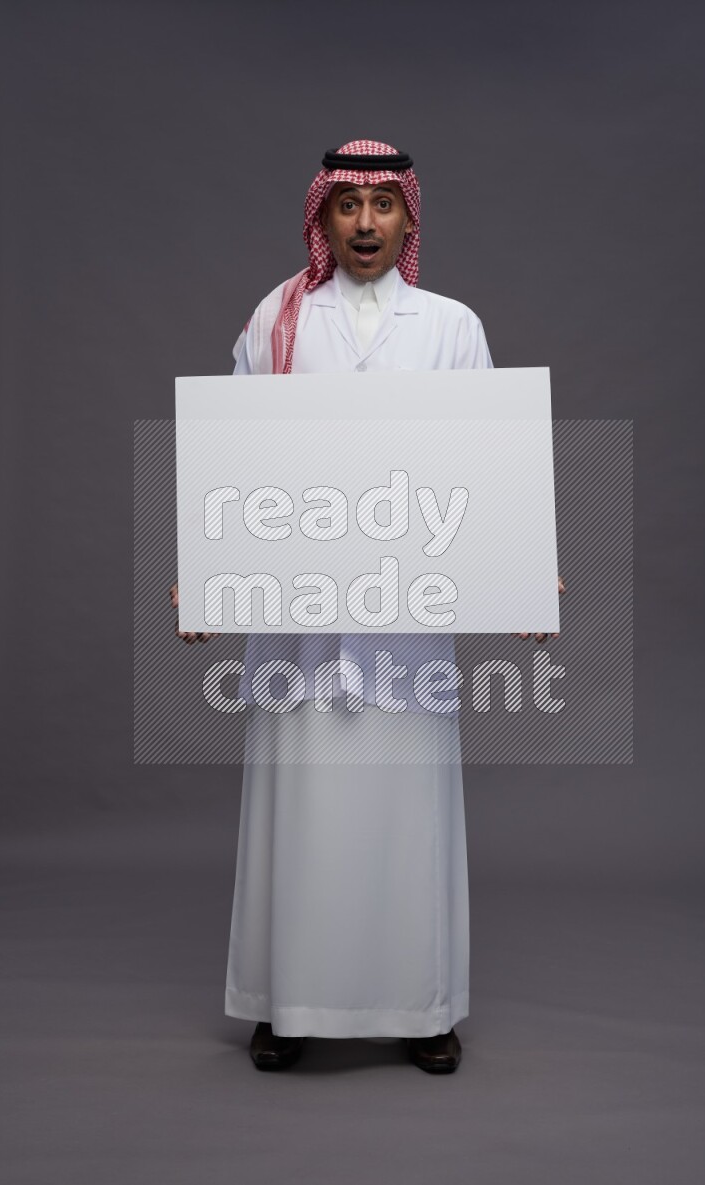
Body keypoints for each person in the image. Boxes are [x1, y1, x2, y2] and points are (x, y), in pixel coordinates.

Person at [174, 140, 502, 1073]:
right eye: (346, 206)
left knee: (409, 815)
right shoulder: (280, 321)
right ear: (321, 218)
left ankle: (423, 1003)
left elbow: (489, 469)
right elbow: (233, 464)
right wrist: (206, 567)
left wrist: (525, 564)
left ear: (408, 217)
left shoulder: (450, 327)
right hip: (302, 626)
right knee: (300, 805)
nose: (364, 223)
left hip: (405, 626)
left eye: (382, 205)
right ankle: (289, 1000)